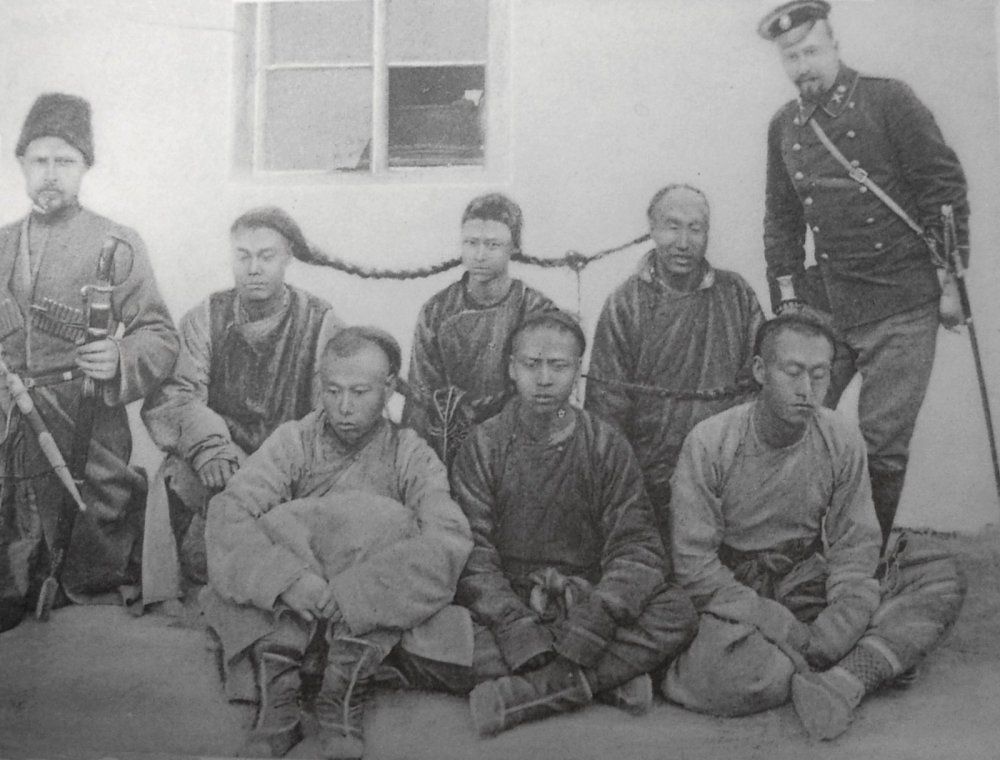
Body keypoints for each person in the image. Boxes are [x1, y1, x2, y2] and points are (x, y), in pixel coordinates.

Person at [663, 313, 965, 740]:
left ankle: (845, 679)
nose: (807, 389)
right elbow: (694, 564)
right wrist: (771, 619)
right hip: (736, 590)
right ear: (760, 371)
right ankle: (874, 657)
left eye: (820, 375)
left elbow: (853, 545)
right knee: (732, 678)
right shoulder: (711, 441)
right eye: (792, 372)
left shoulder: (840, 437)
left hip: (804, 576)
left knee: (934, 572)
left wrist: (838, 624)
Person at [202, 326, 473, 759]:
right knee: (263, 537)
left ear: (389, 389)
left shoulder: (410, 453)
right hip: (295, 603)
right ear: (320, 386)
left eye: (360, 392)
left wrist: (357, 592)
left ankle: (339, 702)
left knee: (396, 526)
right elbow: (229, 513)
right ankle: (279, 708)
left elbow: (449, 536)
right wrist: (288, 579)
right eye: (333, 390)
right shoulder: (293, 441)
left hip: (363, 610)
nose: (344, 407)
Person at [759, 0, 970, 547]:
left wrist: (951, 282)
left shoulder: (888, 99)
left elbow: (942, 190)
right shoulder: (784, 126)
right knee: (794, 422)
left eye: (811, 51)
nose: (803, 65)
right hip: (830, 302)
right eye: (791, 57)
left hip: (902, 303)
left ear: (834, 46)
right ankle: (795, 546)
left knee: (882, 443)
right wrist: (787, 299)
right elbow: (781, 218)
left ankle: (863, 556)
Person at [450, 311, 698, 737]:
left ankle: (532, 692)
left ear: (577, 372)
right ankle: (605, 677)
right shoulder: (484, 444)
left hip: (586, 600)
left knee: (677, 612)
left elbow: (636, 544)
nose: (544, 379)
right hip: (510, 603)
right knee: (432, 633)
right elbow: (472, 550)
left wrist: (597, 616)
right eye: (532, 364)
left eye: (559, 366)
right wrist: (513, 623)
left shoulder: (604, 443)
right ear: (512, 368)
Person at [0, 93, 179, 631]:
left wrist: (118, 356)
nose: (50, 174)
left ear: (85, 167)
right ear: (22, 164)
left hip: (85, 420)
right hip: (9, 414)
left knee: (91, 529)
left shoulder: (116, 243)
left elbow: (159, 334)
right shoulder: (3, 244)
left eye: (65, 161)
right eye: (39, 161)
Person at [140, 207, 341, 603]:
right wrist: (209, 446)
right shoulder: (206, 317)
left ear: (287, 258)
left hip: (292, 468)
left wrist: (284, 468)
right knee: (175, 479)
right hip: (224, 463)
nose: (253, 268)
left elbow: (332, 408)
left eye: (266, 256)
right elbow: (177, 394)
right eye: (242, 256)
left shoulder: (320, 322)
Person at [585, 184, 764, 544]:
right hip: (649, 485)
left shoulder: (736, 294)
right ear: (652, 229)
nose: (683, 242)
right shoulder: (625, 304)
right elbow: (606, 412)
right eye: (672, 226)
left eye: (695, 229)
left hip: (726, 480)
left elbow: (759, 388)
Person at [402, 193, 557, 467]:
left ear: (514, 247)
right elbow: (422, 397)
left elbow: (547, 390)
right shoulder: (437, 311)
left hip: (520, 447)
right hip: (450, 446)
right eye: (471, 243)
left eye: (493, 245)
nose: (480, 255)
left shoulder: (535, 310)